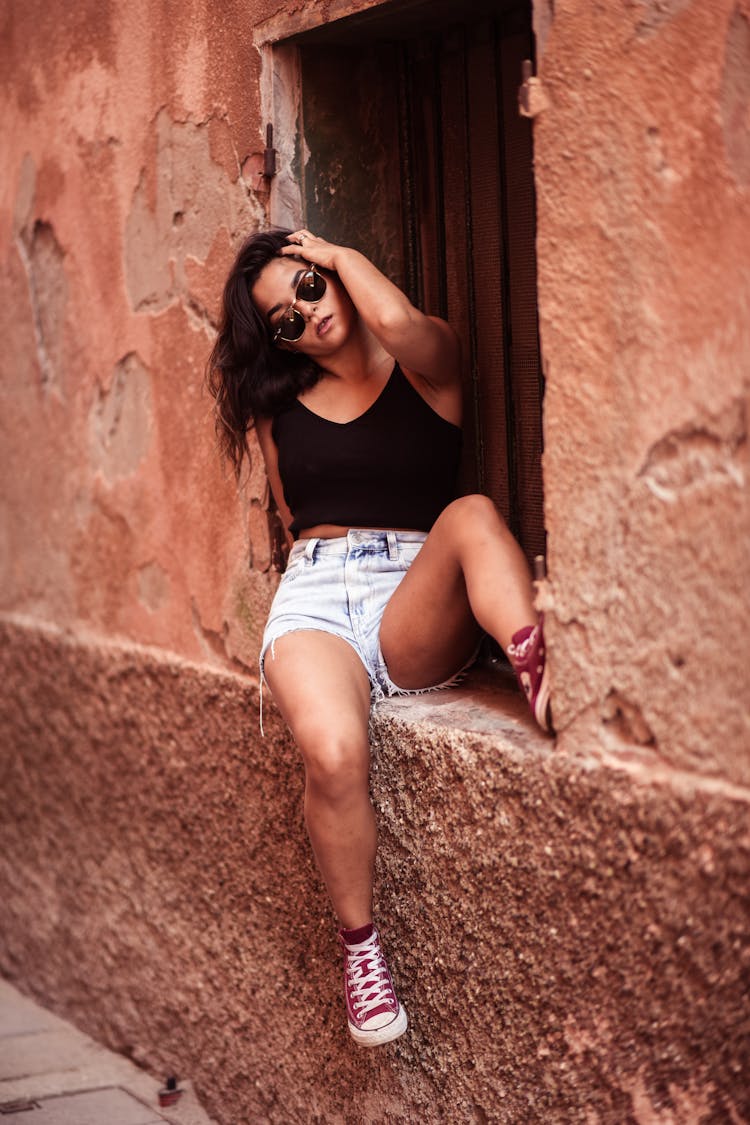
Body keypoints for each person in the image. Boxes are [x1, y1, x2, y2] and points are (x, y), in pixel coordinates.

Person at [207, 227, 551, 1048]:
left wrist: (340, 259)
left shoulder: (430, 365)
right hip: (319, 594)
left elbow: (397, 323)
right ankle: (361, 953)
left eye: (309, 289)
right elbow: (292, 522)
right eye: (282, 321)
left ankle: (539, 668)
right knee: (330, 750)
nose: (305, 317)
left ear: (334, 273)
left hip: (413, 592)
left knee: (470, 516)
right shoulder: (276, 409)